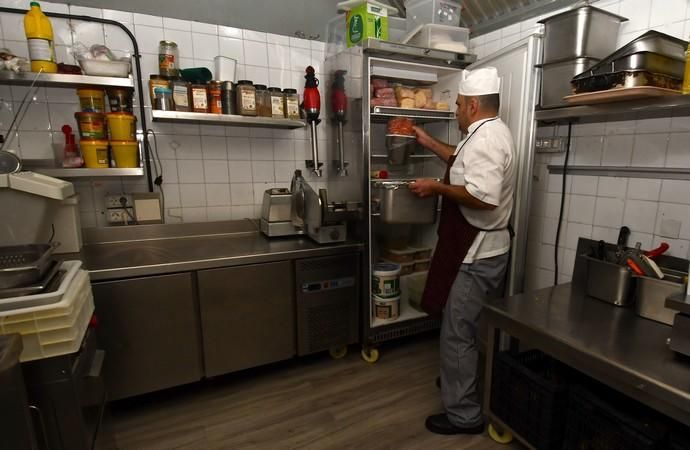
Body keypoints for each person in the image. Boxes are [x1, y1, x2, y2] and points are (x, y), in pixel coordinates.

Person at [408, 67, 515, 435]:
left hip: (478, 251)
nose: (454, 110)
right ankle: (459, 380)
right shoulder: (488, 133)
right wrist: (427, 142)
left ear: (471, 105)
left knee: (458, 333)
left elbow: (482, 198)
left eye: (456, 104)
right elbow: (461, 161)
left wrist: (435, 188)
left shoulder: (486, 140)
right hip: (481, 248)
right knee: (461, 328)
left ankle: (464, 415)